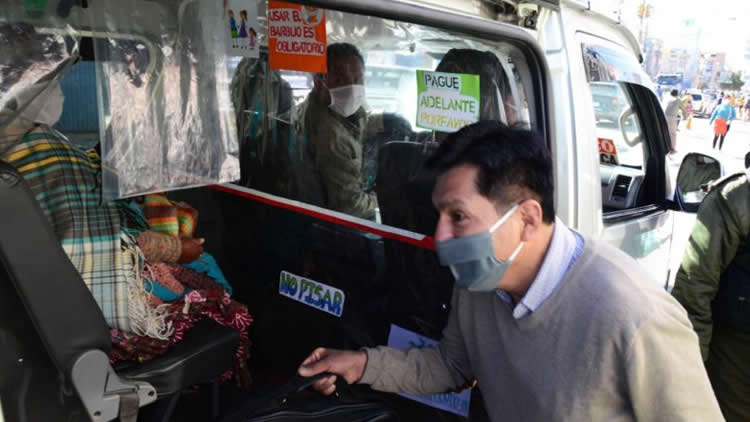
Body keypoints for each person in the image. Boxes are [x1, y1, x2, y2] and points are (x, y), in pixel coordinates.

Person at [296, 121, 722, 421]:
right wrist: (359, 363)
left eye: (458, 216)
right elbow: (450, 365)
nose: (441, 238)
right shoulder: (480, 283)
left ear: (527, 219)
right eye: (439, 216)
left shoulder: (637, 319)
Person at [297, 43, 410, 219]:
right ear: (319, 83)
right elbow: (351, 206)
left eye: (357, 79)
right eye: (341, 78)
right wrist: (383, 198)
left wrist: (383, 122)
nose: (351, 86)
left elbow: (357, 123)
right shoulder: (330, 138)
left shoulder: (321, 107)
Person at [671, 169, 750, 421]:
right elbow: (695, 288)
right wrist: (691, 364)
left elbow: (694, 287)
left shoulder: (735, 197)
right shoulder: (736, 198)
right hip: (735, 355)